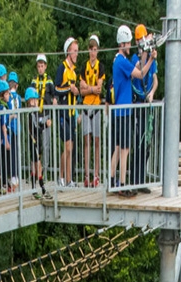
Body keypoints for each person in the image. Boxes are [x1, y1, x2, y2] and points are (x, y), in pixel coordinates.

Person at [110, 25, 156, 197]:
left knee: (117, 147)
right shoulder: (121, 62)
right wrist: (151, 58)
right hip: (123, 111)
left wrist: (145, 52)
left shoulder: (120, 61)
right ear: (122, 44)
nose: (129, 46)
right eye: (128, 43)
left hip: (121, 111)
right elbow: (142, 73)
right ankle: (121, 184)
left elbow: (137, 65)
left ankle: (113, 180)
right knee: (125, 149)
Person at [130, 24, 159, 194]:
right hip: (137, 103)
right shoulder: (135, 59)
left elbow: (154, 79)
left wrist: (153, 92)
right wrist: (148, 55)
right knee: (138, 143)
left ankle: (141, 179)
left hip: (147, 102)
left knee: (147, 142)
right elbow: (141, 70)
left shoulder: (151, 60)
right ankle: (134, 179)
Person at [78, 34, 105, 188]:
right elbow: (82, 91)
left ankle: (96, 174)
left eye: (95, 50)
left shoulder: (100, 67)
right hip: (86, 107)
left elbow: (99, 88)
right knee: (86, 141)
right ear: (88, 51)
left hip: (96, 107)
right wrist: (91, 89)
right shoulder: (84, 67)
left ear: (97, 51)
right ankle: (87, 174)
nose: (93, 53)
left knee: (96, 141)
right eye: (91, 50)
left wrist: (90, 88)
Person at [55, 37, 80, 187]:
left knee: (71, 148)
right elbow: (57, 89)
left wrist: (75, 92)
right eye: (75, 51)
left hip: (71, 112)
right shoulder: (62, 68)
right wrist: (69, 89)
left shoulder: (74, 71)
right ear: (69, 51)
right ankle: (61, 176)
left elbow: (73, 91)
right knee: (67, 147)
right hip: (63, 112)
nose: (77, 54)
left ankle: (69, 179)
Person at [30, 54, 57, 181]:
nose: (40, 68)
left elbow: (54, 94)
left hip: (45, 115)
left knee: (46, 145)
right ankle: (35, 171)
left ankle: (44, 171)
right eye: (39, 66)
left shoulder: (49, 80)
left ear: (45, 67)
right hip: (35, 115)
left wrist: (55, 100)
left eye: (42, 66)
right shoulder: (34, 80)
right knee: (35, 144)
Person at [25, 88, 51, 200]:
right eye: (35, 100)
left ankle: (37, 188)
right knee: (36, 166)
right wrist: (45, 125)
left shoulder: (34, 113)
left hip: (37, 141)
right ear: (30, 101)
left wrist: (44, 124)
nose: (36, 102)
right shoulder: (30, 114)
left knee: (37, 166)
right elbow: (34, 129)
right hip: (34, 141)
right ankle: (39, 188)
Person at [7, 71, 22, 189]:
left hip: (10, 127)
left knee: (11, 153)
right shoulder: (18, 98)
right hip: (16, 128)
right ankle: (15, 175)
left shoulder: (9, 98)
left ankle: (13, 175)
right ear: (16, 85)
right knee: (16, 151)